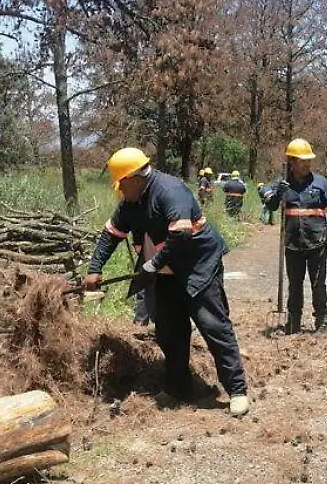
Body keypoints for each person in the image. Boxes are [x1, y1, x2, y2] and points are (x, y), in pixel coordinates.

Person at [84, 148, 249, 417]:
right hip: (164, 274)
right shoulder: (131, 203)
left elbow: (181, 237)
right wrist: (94, 269)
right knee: (169, 333)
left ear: (134, 178)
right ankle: (178, 388)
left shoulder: (170, 191)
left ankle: (237, 390)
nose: (120, 192)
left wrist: (152, 265)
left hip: (198, 269)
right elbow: (110, 234)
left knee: (214, 327)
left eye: (122, 185)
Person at [262, 139, 327, 335]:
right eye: (302, 161)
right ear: (291, 161)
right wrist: (277, 194)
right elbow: (270, 206)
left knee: (318, 284)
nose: (306, 164)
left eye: (308, 161)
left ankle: (321, 322)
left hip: (317, 243)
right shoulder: (282, 183)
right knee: (294, 286)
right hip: (293, 245)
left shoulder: (321, 183)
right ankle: (293, 323)